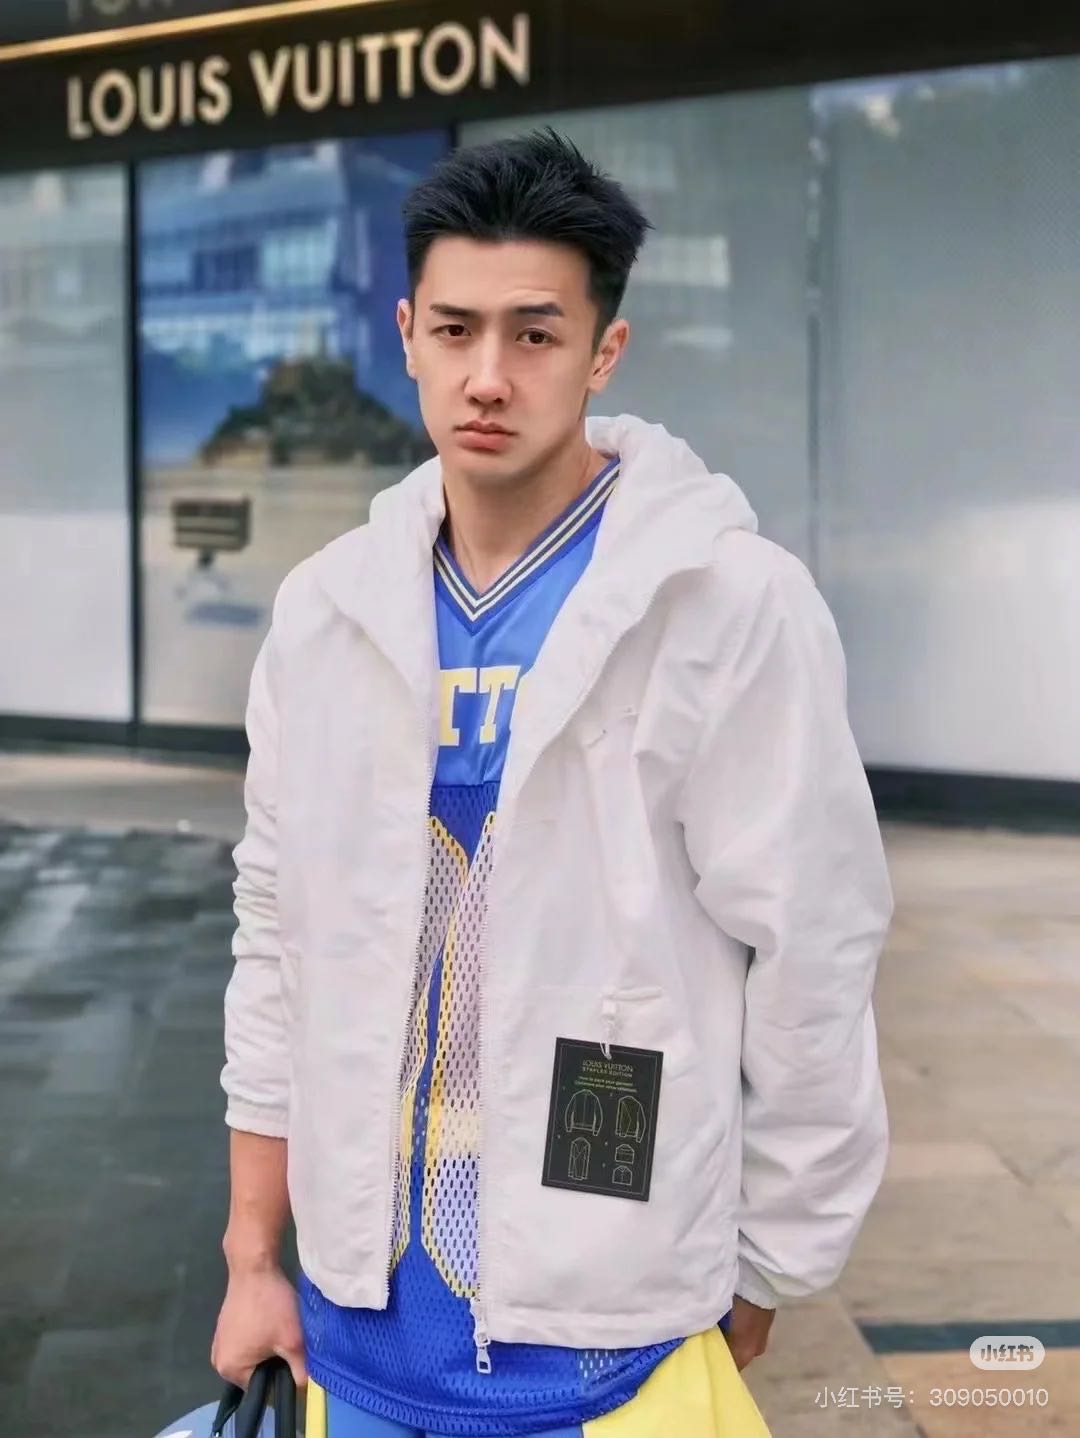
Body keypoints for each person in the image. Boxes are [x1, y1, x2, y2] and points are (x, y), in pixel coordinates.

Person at [211, 129, 893, 1438]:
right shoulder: (327, 613)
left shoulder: (722, 604)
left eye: (535, 335)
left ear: (602, 352)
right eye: (455, 330)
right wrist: (254, 1254)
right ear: (407, 335)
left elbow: (815, 944)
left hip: (604, 1326)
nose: (488, 376)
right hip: (355, 1326)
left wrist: (772, 1256)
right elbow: (273, 941)